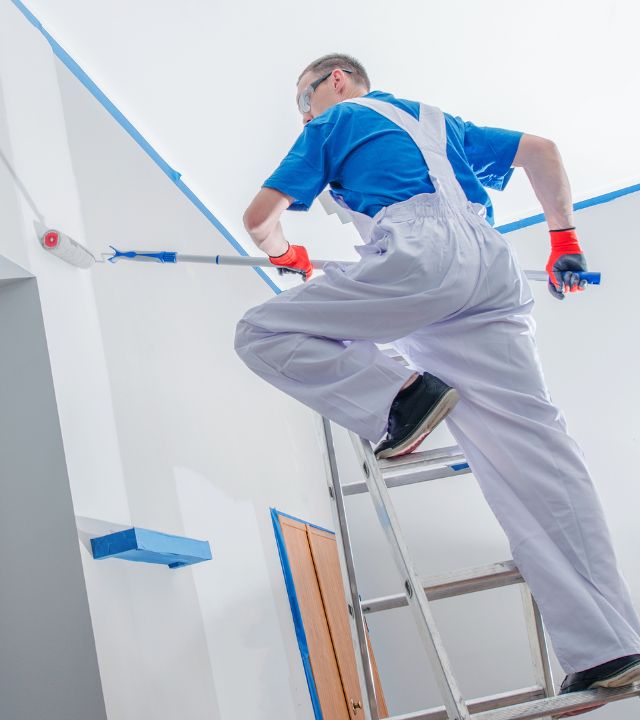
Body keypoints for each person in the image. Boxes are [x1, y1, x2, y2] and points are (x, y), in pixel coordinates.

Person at [234, 53, 640, 707]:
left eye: (304, 99)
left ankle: (403, 396)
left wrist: (285, 255)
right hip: (491, 266)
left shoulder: (335, 121)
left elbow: (260, 216)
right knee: (536, 458)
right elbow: (541, 150)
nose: (305, 112)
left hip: (422, 258)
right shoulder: (436, 121)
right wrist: (564, 239)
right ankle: (610, 647)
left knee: (262, 333)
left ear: (334, 81)